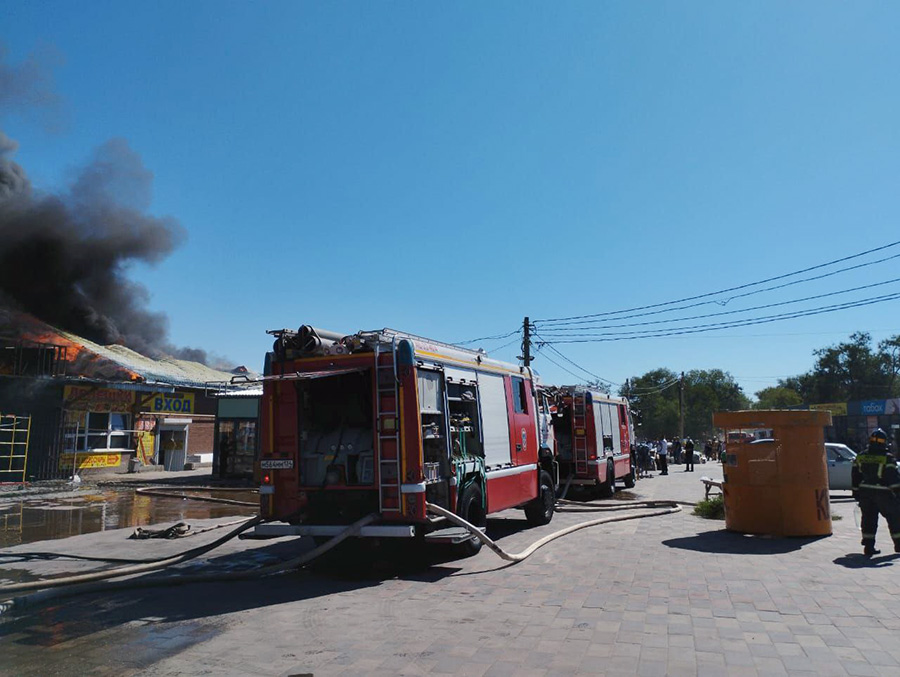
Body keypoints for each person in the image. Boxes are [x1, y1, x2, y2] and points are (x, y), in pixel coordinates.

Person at [851, 428, 900, 557]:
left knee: (868, 519)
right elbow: (893, 478)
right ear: (885, 442)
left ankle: (868, 547)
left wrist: (856, 492)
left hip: (865, 493)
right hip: (884, 494)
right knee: (895, 518)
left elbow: (855, 475)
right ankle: (899, 545)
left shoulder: (861, 456)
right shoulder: (887, 458)